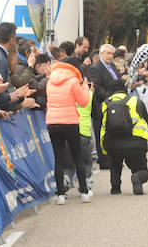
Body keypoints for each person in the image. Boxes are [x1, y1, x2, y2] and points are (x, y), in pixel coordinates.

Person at [46, 56, 93, 204]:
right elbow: (84, 101)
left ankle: (60, 195)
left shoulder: (50, 81)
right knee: (77, 156)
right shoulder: (73, 81)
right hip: (70, 121)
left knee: (58, 159)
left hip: (52, 121)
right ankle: (84, 191)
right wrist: (85, 87)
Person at [100, 79, 148, 195]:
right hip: (135, 143)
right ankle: (138, 177)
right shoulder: (135, 101)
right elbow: (147, 122)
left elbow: (102, 126)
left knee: (115, 163)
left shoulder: (105, 104)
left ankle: (115, 187)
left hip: (112, 143)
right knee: (141, 168)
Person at [85, 44, 124, 170]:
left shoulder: (112, 66)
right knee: (101, 133)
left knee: (113, 133)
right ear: (101, 54)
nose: (110, 56)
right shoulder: (96, 68)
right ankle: (103, 159)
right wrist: (110, 98)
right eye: (108, 53)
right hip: (102, 105)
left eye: (112, 54)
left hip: (115, 105)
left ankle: (113, 158)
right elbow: (97, 88)